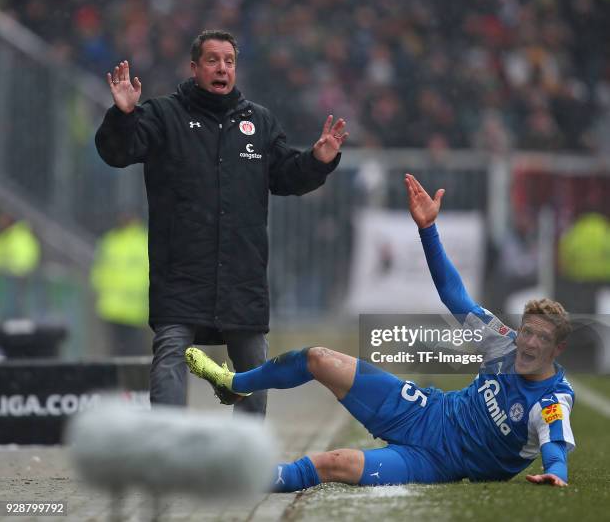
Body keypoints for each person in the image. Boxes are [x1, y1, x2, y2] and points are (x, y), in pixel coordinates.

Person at [186, 174, 575, 490]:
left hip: (438, 461)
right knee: (318, 358)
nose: (528, 343)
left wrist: (555, 472)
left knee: (331, 464)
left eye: (541, 339)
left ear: (556, 349)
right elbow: (453, 294)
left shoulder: (553, 398)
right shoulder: (502, 341)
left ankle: (236, 478)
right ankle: (235, 383)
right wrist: (428, 229)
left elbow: (554, 443)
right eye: (527, 333)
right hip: (426, 411)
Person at [95, 30, 348, 413]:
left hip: (241, 274)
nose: (222, 68)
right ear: (194, 68)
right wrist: (123, 115)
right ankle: (169, 445)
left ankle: (245, 459)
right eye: (212, 60)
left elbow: (286, 177)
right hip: (181, 270)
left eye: (229, 61)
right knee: (169, 355)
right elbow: (117, 151)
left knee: (254, 370)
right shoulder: (164, 115)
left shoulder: (258, 122)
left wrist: (318, 161)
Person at [90, 213, 149, 356]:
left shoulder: (143, 240)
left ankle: (131, 377)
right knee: (117, 350)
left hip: (133, 309)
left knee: (132, 350)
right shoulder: (110, 240)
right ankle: (124, 377)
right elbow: (99, 269)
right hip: (113, 307)